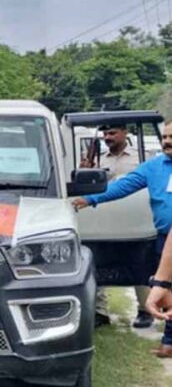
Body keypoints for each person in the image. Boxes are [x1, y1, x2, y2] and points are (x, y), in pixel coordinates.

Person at [73, 121, 172, 357]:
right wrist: (90, 199)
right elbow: (123, 186)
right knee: (167, 288)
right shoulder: (154, 166)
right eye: (166, 137)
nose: (167, 142)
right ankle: (169, 342)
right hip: (165, 239)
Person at [79, 124, 147, 328]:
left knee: (139, 264)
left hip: (135, 220)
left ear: (125, 132)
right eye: (105, 134)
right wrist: (86, 171)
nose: (108, 137)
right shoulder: (98, 159)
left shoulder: (142, 157)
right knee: (98, 264)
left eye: (112, 133)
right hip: (104, 220)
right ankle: (100, 312)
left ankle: (145, 310)